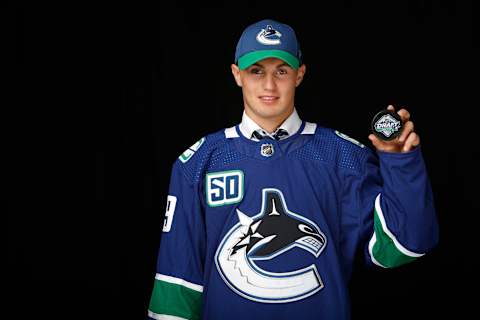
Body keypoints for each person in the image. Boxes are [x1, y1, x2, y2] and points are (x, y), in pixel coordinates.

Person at [147, 19, 439, 320]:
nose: (269, 85)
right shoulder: (197, 163)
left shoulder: (344, 156)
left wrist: (401, 162)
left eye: (281, 71)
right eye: (256, 71)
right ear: (237, 75)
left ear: (299, 74)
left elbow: (405, 245)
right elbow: (177, 285)